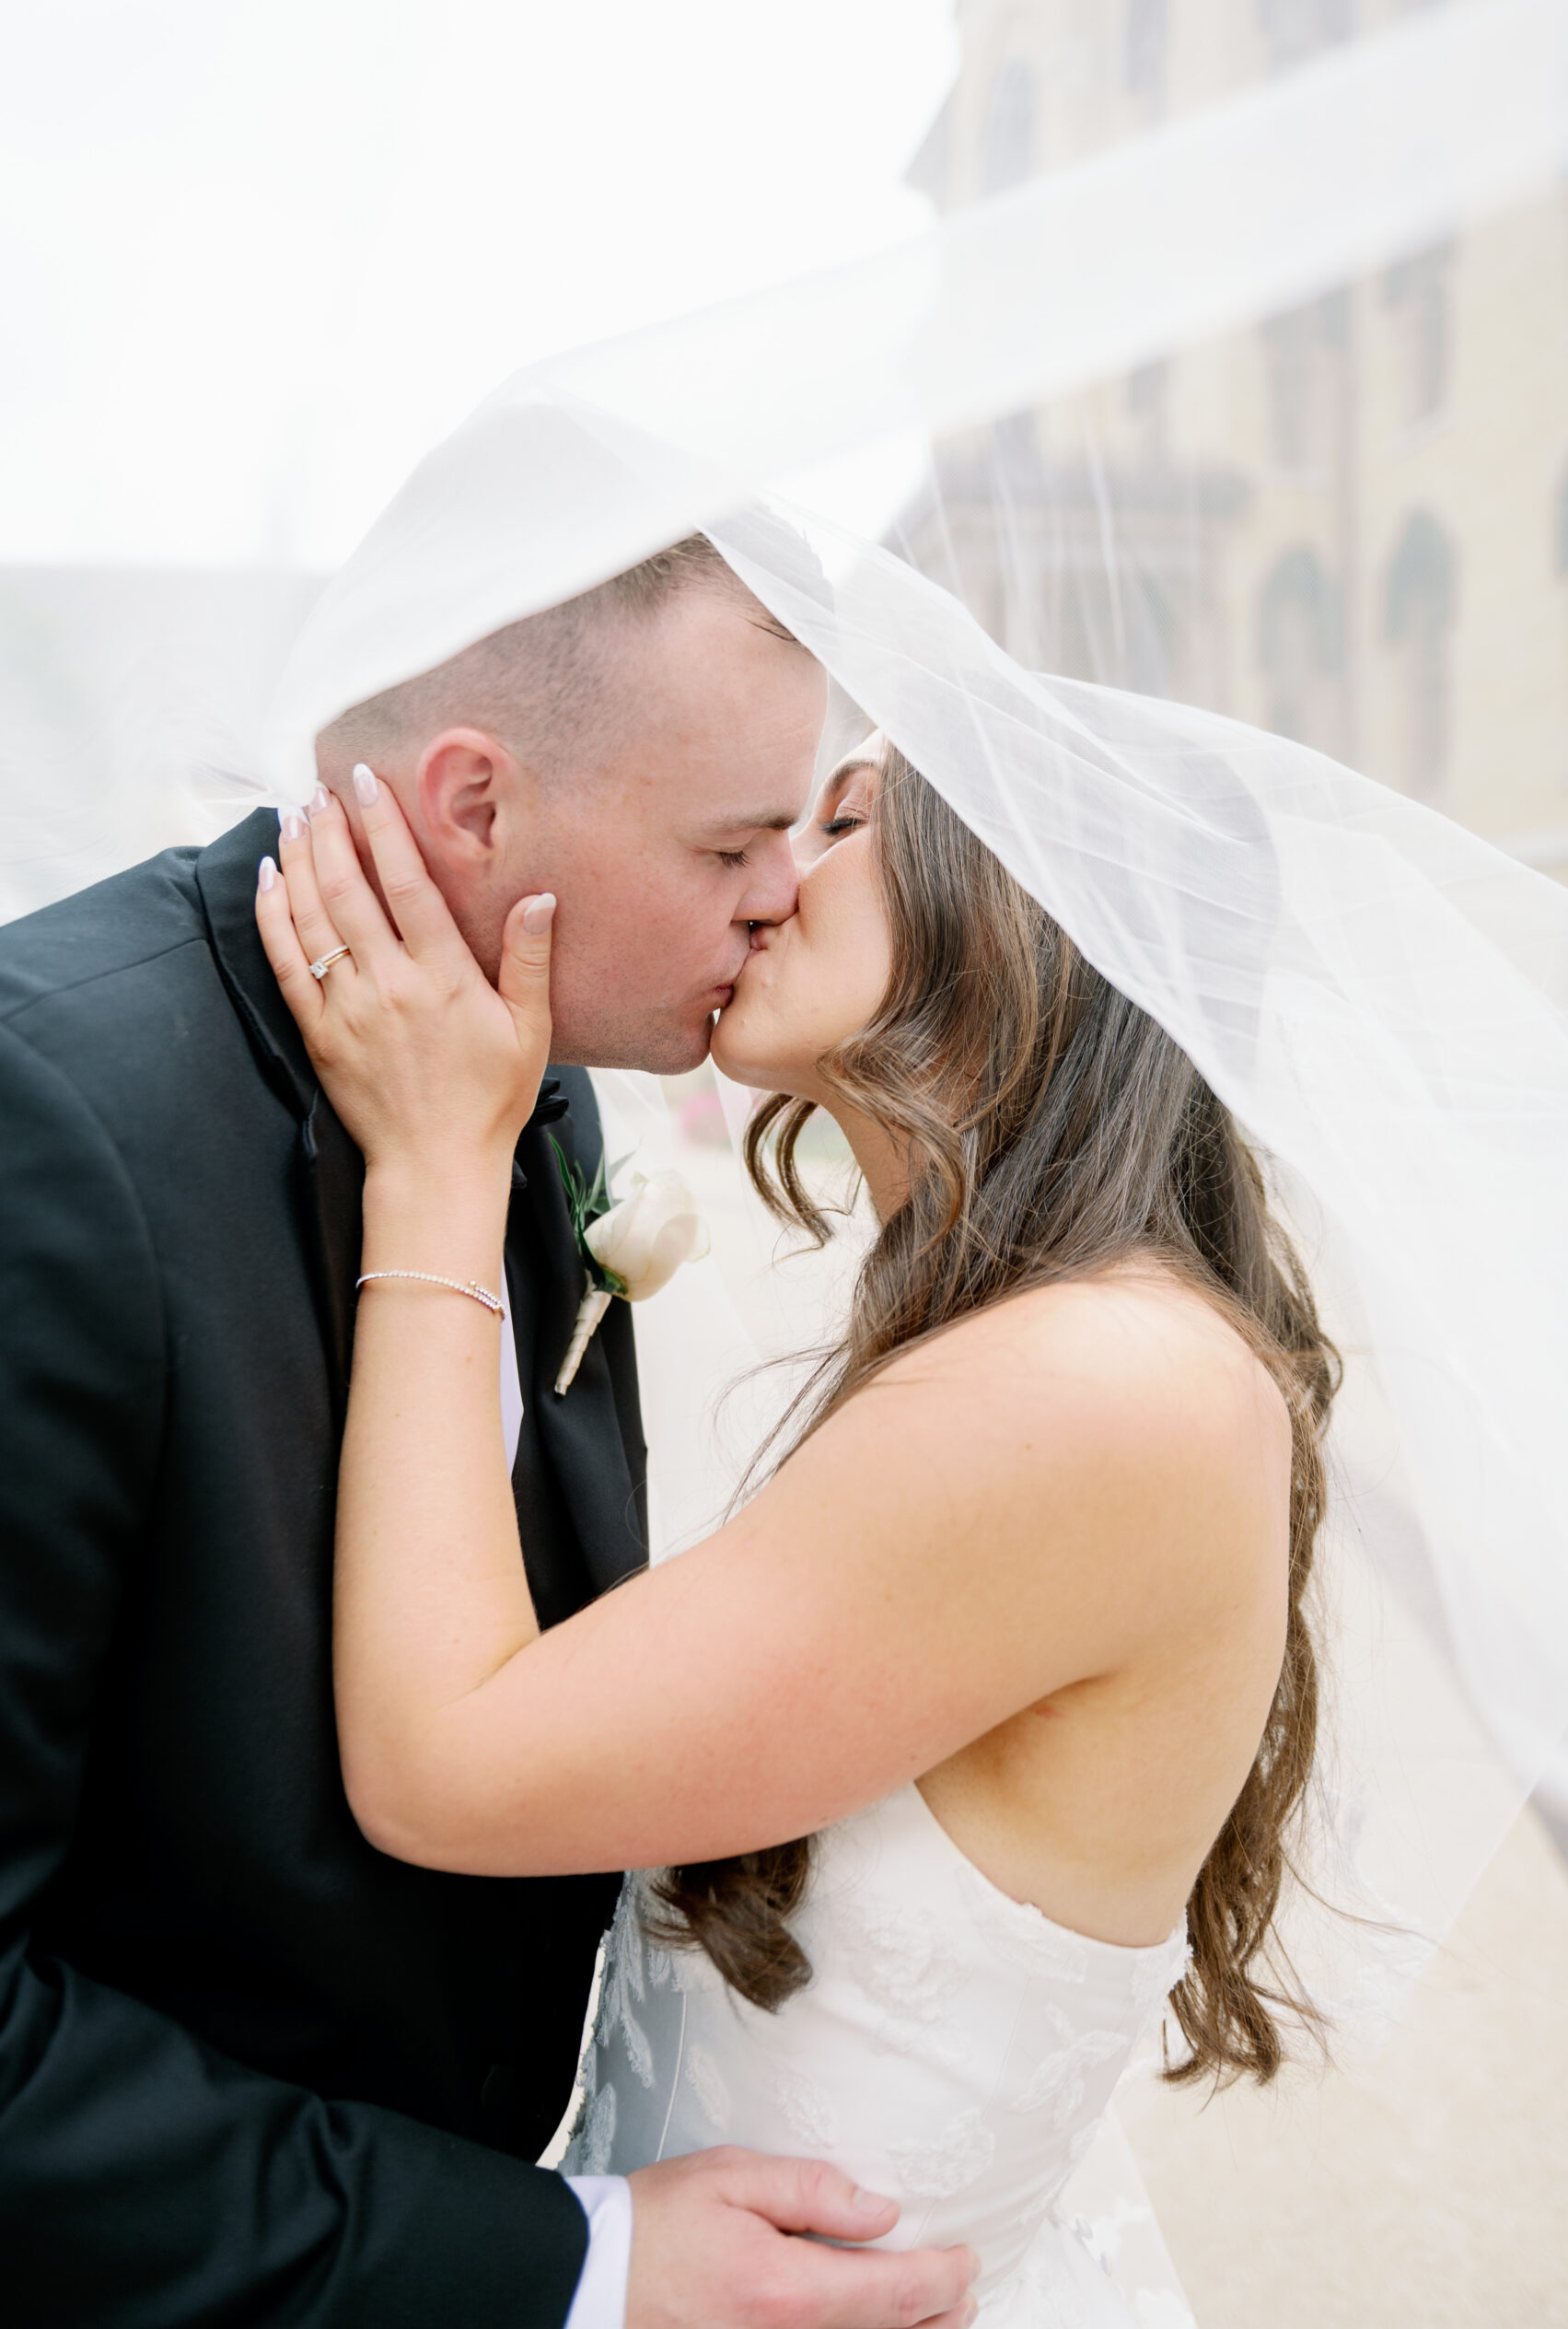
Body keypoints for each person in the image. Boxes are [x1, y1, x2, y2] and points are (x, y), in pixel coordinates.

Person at [0, 537, 980, 2329]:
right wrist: (571, 2265)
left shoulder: (550, 1064)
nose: (784, 897)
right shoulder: (47, 1123)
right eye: (729, 843)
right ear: (474, 803)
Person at [254, 730, 1339, 2323]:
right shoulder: (1050, 1338)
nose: (770, 879)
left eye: (841, 823)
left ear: (1028, 911)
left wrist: (435, 1164)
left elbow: (444, 1766)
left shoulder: (1103, 1384)